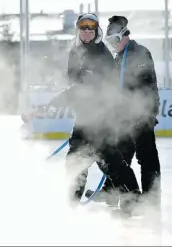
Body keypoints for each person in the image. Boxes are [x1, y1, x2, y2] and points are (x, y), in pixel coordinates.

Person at [46, 13, 141, 215]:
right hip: (85, 115)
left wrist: (55, 103)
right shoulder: (75, 51)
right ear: (78, 30)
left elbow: (87, 86)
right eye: (83, 28)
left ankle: (132, 198)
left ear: (96, 30)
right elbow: (74, 85)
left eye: (91, 28)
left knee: (105, 159)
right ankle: (72, 202)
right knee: (81, 160)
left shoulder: (100, 54)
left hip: (101, 116)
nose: (87, 32)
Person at [86, 15, 161, 211]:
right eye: (109, 42)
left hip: (141, 115)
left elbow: (142, 87)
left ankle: (150, 201)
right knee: (120, 156)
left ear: (125, 35)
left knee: (147, 158)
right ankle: (113, 193)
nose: (112, 45)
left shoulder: (139, 53)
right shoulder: (119, 58)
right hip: (125, 118)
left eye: (115, 40)